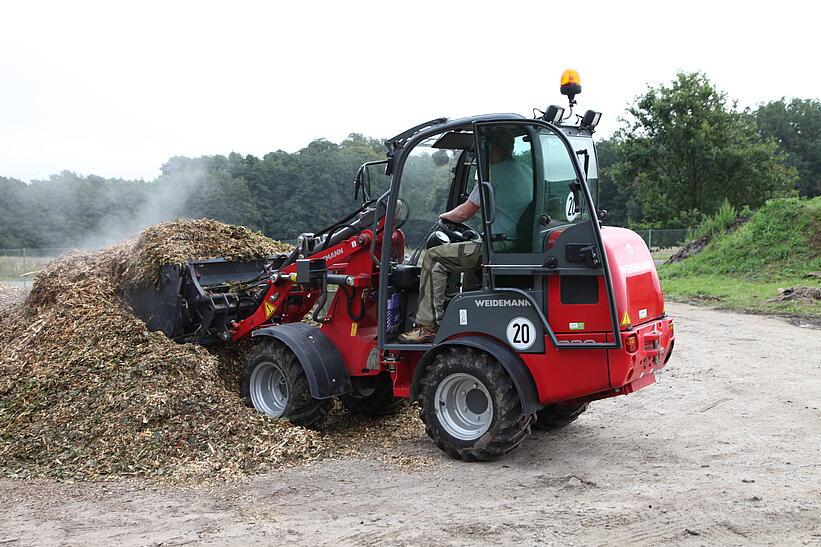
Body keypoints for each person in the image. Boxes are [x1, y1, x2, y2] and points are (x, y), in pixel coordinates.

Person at [399, 130, 533, 343]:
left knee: (434, 256)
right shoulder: (526, 171)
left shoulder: (493, 174)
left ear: (493, 148)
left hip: (499, 247)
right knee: (471, 257)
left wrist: (443, 216)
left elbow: (464, 213)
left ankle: (427, 326)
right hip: (519, 244)